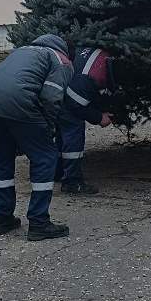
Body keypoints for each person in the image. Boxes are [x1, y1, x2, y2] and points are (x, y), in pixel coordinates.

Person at [0, 33, 73, 241]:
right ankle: (39, 222)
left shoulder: (22, 51)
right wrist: (47, 128)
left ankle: (3, 218)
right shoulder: (60, 60)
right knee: (46, 157)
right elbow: (51, 96)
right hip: (18, 100)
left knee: (4, 158)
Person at [57, 46, 115, 195]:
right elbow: (75, 104)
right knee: (73, 131)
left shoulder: (97, 57)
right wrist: (99, 118)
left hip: (58, 93)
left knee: (61, 134)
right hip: (67, 99)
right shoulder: (91, 76)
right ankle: (72, 182)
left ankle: (56, 171)